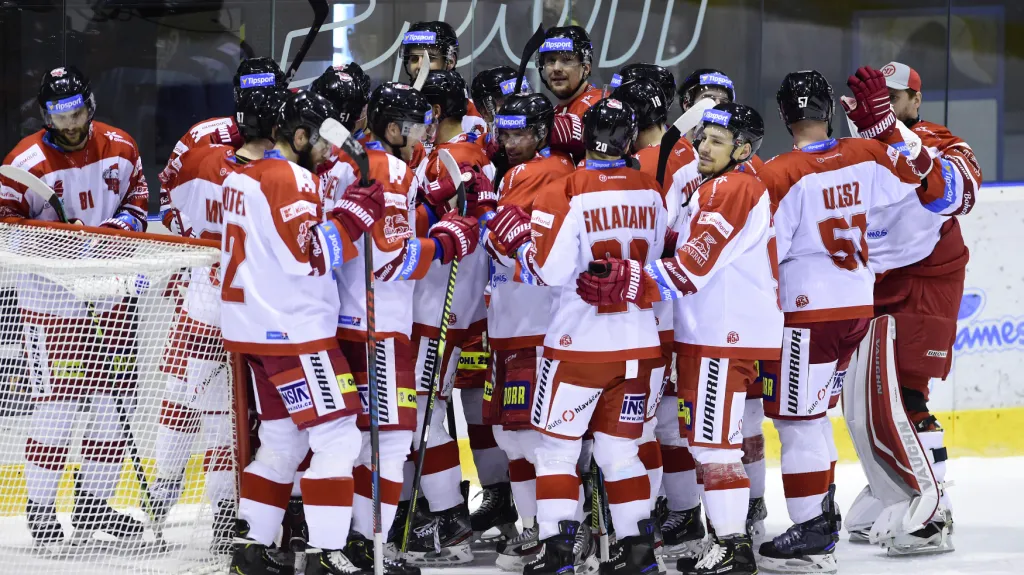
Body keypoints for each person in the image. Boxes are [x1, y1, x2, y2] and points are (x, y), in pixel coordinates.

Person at [753, 69, 949, 574]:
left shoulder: (778, 173)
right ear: (830, 111)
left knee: (796, 423)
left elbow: (765, 253)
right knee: (814, 416)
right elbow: (919, 176)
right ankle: (819, 516)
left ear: (783, 115)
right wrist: (884, 128)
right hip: (857, 310)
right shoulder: (864, 155)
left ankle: (810, 536)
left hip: (806, 315)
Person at [590, 102, 778, 575]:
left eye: (717, 140)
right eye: (703, 138)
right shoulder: (716, 187)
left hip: (722, 333)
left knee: (715, 445)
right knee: (708, 442)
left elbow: (692, 267)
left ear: (744, 148)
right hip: (711, 332)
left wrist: (630, 280)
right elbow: (680, 245)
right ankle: (727, 540)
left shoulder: (734, 187)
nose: (703, 147)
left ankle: (733, 547)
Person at [488, 97, 666, 575]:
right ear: (629, 140)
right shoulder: (652, 190)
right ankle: (638, 552)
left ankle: (558, 550)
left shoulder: (564, 189)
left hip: (578, 346)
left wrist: (519, 245)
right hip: (641, 345)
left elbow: (549, 271)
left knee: (556, 451)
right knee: (619, 452)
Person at [223, 90, 381, 575]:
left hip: (255, 332)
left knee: (282, 443)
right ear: (295, 136)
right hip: (294, 333)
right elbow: (305, 255)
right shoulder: (288, 177)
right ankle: (326, 554)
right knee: (337, 439)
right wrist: (354, 217)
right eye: (318, 140)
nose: (326, 151)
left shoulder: (241, 177)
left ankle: (250, 548)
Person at [315, 74, 467, 575]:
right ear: (395, 128)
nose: (427, 133)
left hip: (344, 319)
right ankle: (364, 544)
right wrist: (447, 240)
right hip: (378, 324)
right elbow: (391, 259)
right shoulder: (391, 169)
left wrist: (429, 210)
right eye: (419, 125)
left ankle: (353, 541)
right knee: (391, 440)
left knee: (360, 439)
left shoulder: (344, 163)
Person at [0, 65, 152, 550]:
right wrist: (59, 249)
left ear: (90, 104)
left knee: (111, 408)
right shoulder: (24, 161)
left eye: (75, 112)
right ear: (45, 114)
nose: (68, 124)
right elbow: (7, 225)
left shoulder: (121, 147)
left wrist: (114, 235)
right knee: (57, 410)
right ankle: (42, 508)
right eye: (57, 115)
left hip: (112, 297)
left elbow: (139, 199)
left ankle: (92, 505)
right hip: (51, 305)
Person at [843, 62, 981, 555]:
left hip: (926, 278)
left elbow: (961, 192)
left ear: (914, 102)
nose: (884, 103)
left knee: (902, 390)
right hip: (871, 281)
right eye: (878, 96)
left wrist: (892, 132)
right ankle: (894, 487)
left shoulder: (937, 139)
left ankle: (933, 510)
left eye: (894, 96)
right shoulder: (856, 148)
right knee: (863, 395)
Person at [152, 84, 291, 554]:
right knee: (230, 422)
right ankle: (223, 517)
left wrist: (186, 238)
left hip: (206, 296)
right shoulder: (278, 175)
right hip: (257, 309)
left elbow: (170, 200)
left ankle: (167, 496)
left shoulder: (210, 156)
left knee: (199, 408)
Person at [482, 92, 578, 571]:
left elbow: (507, 239)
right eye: (504, 130)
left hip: (533, 325)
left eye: (519, 132)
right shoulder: (515, 172)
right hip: (510, 322)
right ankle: (531, 529)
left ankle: (553, 533)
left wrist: (483, 216)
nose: (509, 141)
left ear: (542, 133)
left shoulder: (541, 172)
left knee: (535, 439)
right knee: (511, 437)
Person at [402, 69, 494, 566]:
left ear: (434, 115)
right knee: (422, 409)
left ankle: (448, 521)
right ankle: (431, 514)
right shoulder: (472, 148)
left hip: (434, 309)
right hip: (450, 310)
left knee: (422, 412)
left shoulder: (451, 158)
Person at [400, 21, 487, 137]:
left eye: (430, 58)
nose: (420, 66)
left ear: (450, 61)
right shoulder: (398, 110)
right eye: (414, 59)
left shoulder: (476, 115)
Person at [536, 25, 605, 161]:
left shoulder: (600, 104)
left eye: (566, 60)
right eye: (551, 60)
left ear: (586, 67)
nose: (556, 68)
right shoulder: (554, 111)